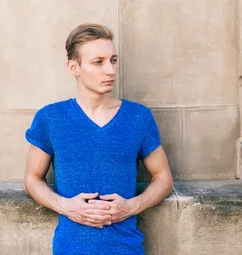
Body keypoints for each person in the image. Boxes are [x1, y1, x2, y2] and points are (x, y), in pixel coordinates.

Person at [24, 23, 174, 254]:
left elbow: (163, 178)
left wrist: (132, 206)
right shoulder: (51, 118)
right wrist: (65, 206)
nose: (111, 70)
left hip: (126, 247)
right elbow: (33, 178)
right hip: (70, 248)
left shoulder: (138, 117)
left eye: (113, 60)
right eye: (98, 62)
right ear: (74, 67)